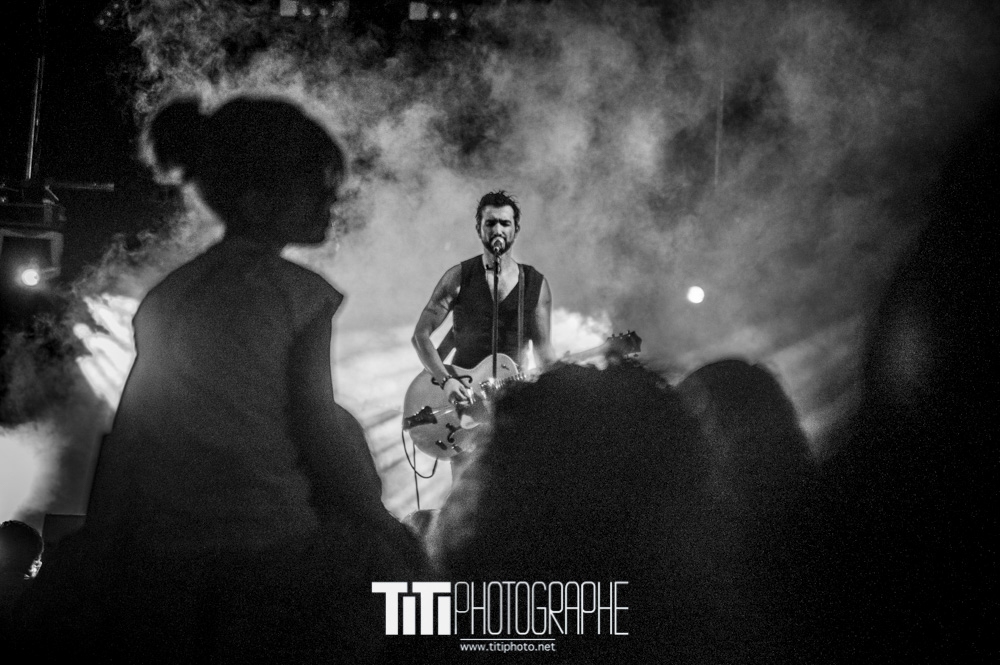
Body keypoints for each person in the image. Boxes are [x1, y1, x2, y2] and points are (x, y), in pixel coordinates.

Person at [18, 95, 424, 661]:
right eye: (318, 188)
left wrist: (103, 545)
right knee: (418, 610)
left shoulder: (168, 297)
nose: (333, 203)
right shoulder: (298, 295)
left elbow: (133, 430)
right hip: (268, 541)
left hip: (167, 553)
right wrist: (383, 528)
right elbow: (319, 431)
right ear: (259, 199)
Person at [411, 191, 556, 479]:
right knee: (465, 493)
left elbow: (545, 356)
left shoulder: (535, 285)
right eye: (490, 223)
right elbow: (420, 336)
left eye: (505, 223)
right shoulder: (458, 277)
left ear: (516, 229)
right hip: (464, 407)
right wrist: (446, 381)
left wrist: (572, 375)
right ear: (479, 229)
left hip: (513, 406)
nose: (497, 229)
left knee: (512, 489)